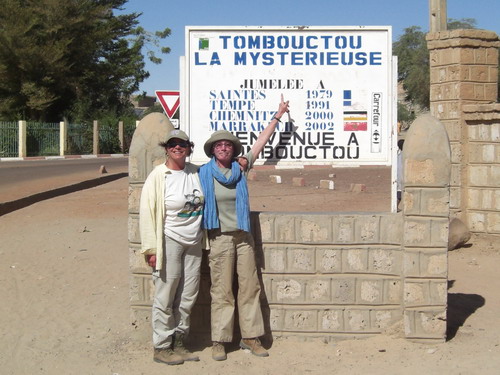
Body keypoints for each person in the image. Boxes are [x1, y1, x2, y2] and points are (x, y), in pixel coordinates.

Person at [199, 95, 290, 361]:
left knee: (250, 287)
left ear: (233, 149)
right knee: (222, 290)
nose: (224, 148)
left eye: (228, 144)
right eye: (220, 145)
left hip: (243, 238)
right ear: (213, 150)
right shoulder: (202, 173)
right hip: (219, 239)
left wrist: (278, 115)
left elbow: (260, 143)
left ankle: (251, 337)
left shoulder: (241, 168)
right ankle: (220, 340)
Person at [139, 129, 204, 366]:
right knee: (165, 295)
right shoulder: (159, 176)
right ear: (166, 148)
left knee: (187, 296)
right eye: (172, 144)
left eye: (182, 144)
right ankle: (162, 346)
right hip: (170, 240)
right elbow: (147, 213)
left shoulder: (196, 172)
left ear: (189, 147)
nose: (178, 147)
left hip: (194, 242)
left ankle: (180, 342)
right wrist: (151, 249)